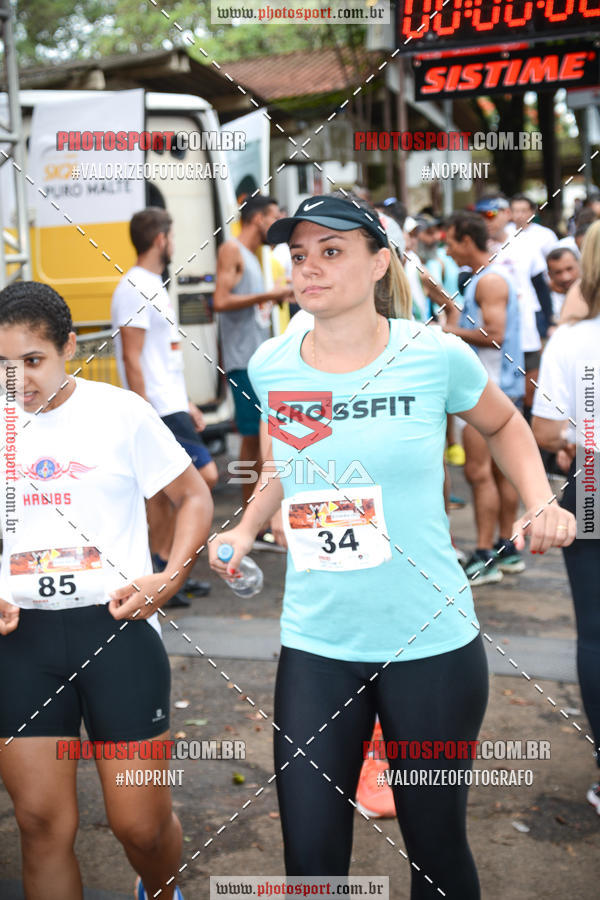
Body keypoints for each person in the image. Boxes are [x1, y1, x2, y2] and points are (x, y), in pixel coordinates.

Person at [207, 193, 575, 896]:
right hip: (318, 645)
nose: (309, 266)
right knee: (311, 865)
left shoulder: (431, 356)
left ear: (380, 263)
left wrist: (539, 501)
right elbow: (279, 463)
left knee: (435, 855)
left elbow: (505, 425)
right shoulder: (276, 365)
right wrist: (245, 526)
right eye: (300, 253)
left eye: (332, 250)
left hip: (430, 643)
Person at [0, 281, 213, 900]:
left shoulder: (120, 411)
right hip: (22, 642)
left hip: (115, 631)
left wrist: (169, 576)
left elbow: (193, 496)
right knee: (41, 824)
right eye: (4, 367)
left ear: (70, 346)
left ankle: (162, 891)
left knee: (140, 827)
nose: (20, 381)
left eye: (33, 361)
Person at [111, 207, 216, 606]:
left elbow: (164, 357)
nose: (174, 243)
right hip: (156, 409)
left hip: (171, 405)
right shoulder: (134, 287)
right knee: (200, 478)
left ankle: (166, 572)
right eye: (171, 236)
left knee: (164, 493)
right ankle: (163, 567)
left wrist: (186, 401)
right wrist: (145, 414)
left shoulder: (153, 283)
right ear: (160, 240)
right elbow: (132, 358)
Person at [531, 219, 600, 814]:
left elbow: (545, 430)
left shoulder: (573, 340)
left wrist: (573, 437)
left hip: (597, 477)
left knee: (598, 632)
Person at [444, 211, 526, 582]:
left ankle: (484, 555)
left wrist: (451, 330)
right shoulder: (485, 278)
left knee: (480, 474)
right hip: (501, 387)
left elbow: (493, 333)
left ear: (465, 240)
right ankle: (506, 551)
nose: (446, 248)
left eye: (450, 240)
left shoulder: (489, 281)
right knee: (501, 473)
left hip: (487, 391)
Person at [213, 194, 293, 520]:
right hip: (242, 360)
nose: (276, 224)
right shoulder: (232, 249)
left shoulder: (255, 255)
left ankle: (258, 515)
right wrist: (270, 294)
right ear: (259, 218)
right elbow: (220, 300)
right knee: (250, 438)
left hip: (257, 359)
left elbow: (249, 304)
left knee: (262, 438)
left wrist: (270, 299)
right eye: (274, 217)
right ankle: (251, 518)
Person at [475, 194, 552, 422]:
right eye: (481, 216)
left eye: (491, 214)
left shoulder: (524, 242)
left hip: (526, 331)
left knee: (531, 393)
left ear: (506, 214)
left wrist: (550, 323)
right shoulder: (480, 247)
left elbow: (540, 286)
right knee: (502, 398)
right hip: (495, 336)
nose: (486, 220)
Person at [546, 247, 581, 324]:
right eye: (558, 272)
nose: (566, 277)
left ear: (579, 265)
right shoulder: (545, 302)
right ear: (550, 275)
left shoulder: (594, 292)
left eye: (569, 269)